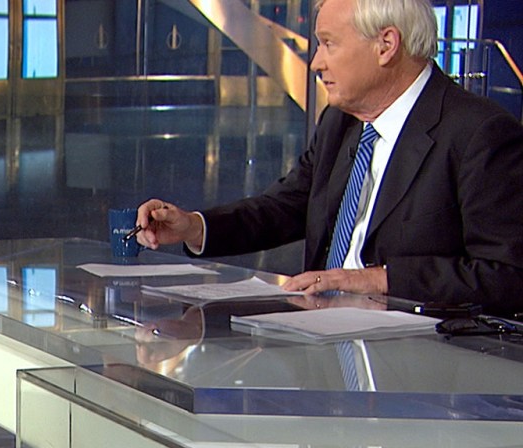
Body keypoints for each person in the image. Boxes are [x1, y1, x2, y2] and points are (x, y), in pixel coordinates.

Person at [134, 0, 523, 314]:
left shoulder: (479, 133)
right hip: (319, 337)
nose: (316, 62)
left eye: (328, 44)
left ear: (386, 45)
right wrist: (194, 227)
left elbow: (508, 275)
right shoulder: (340, 122)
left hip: (418, 362)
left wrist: (378, 279)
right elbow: (285, 207)